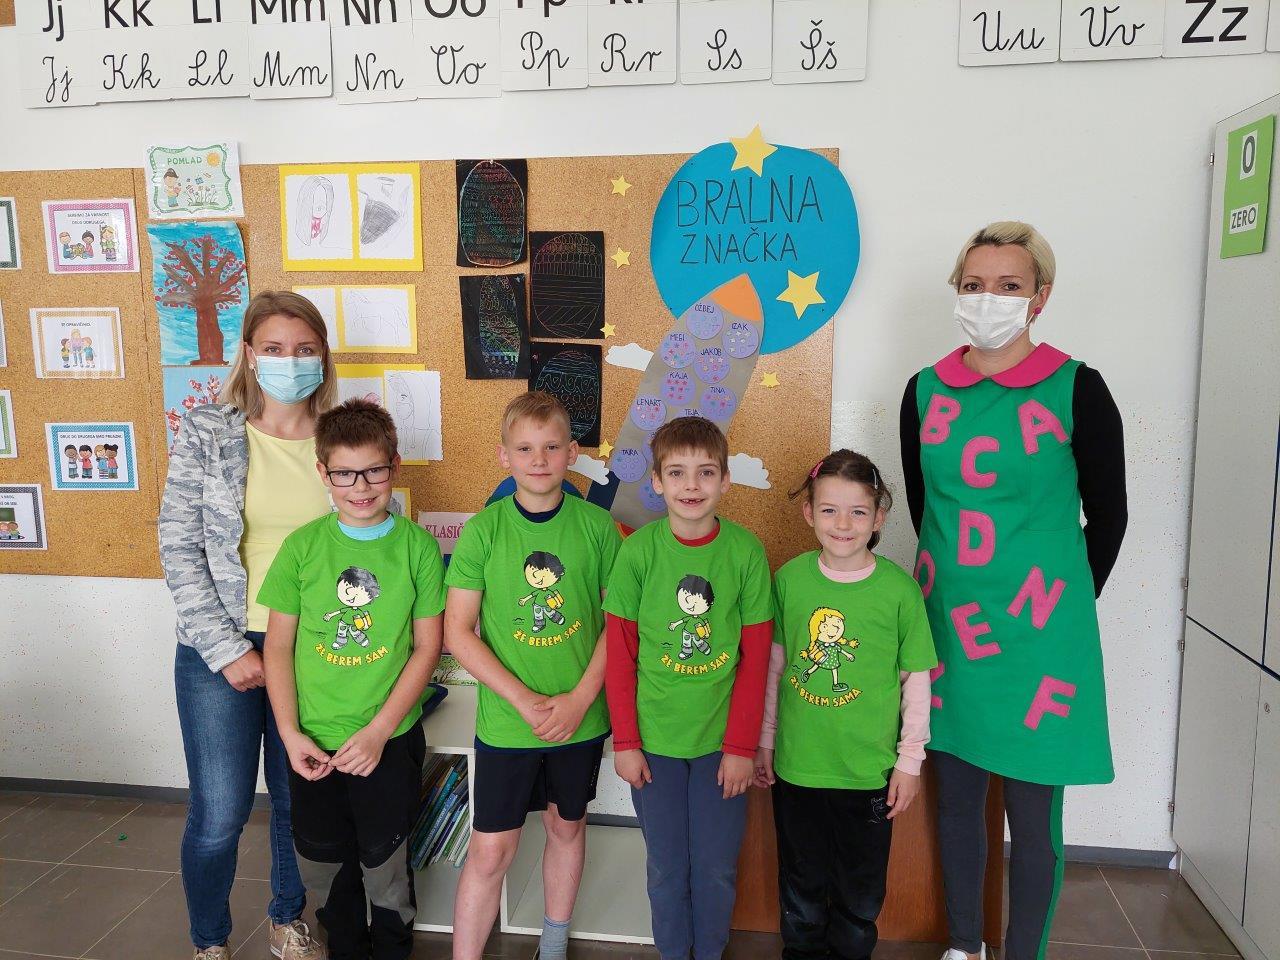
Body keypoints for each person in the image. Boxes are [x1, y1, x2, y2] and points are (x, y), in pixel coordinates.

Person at [898, 222, 1128, 960]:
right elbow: (924, 506)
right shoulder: (923, 391)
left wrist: (1064, 605)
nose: (987, 299)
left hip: (1042, 638)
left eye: (1007, 286)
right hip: (950, 626)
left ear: (1040, 297)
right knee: (957, 806)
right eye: (973, 285)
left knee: (1033, 820)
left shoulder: (1078, 387)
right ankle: (964, 945)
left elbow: (1110, 514)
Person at [159, 290, 338, 960]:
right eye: (274, 348)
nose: (290, 360)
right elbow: (178, 545)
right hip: (220, 648)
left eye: (304, 348)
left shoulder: (341, 435)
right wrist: (227, 648)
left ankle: (288, 920)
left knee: (299, 802)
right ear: (249, 355)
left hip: (312, 650)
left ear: (323, 356)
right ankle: (209, 940)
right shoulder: (210, 430)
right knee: (220, 812)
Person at [261, 399, 445, 960]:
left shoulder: (417, 547)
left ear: (394, 465)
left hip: (387, 741)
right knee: (323, 866)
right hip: (313, 744)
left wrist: (379, 732)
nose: (360, 487)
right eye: (344, 473)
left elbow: (427, 647)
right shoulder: (302, 548)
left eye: (373, 471)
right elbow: (278, 646)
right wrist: (290, 734)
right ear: (323, 473)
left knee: (386, 869)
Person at [445, 391, 622, 960]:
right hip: (507, 723)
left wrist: (580, 699)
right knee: (491, 849)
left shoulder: (598, 528)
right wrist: (523, 700)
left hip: (579, 719)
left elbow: (618, 627)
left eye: (551, 447)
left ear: (573, 453)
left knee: (566, 828)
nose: (539, 459)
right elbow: (458, 633)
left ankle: (553, 944)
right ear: (504, 456)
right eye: (524, 448)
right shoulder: (484, 531)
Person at [754, 450, 936, 960]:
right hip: (798, 769)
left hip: (869, 774)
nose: (843, 524)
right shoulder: (790, 580)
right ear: (808, 512)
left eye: (858, 511)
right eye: (829, 509)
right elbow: (775, 668)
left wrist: (910, 761)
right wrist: (766, 739)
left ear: (879, 517)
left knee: (860, 894)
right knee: (801, 888)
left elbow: (916, 681)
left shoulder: (899, 591)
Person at [604, 416, 774, 960]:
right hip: (653, 746)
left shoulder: (745, 553)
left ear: (725, 480)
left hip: (722, 749)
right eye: (677, 472)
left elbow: (755, 660)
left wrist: (741, 748)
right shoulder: (638, 553)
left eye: (705, 472)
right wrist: (626, 743)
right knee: (666, 867)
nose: (692, 485)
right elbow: (619, 658)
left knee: (716, 868)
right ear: (657, 481)